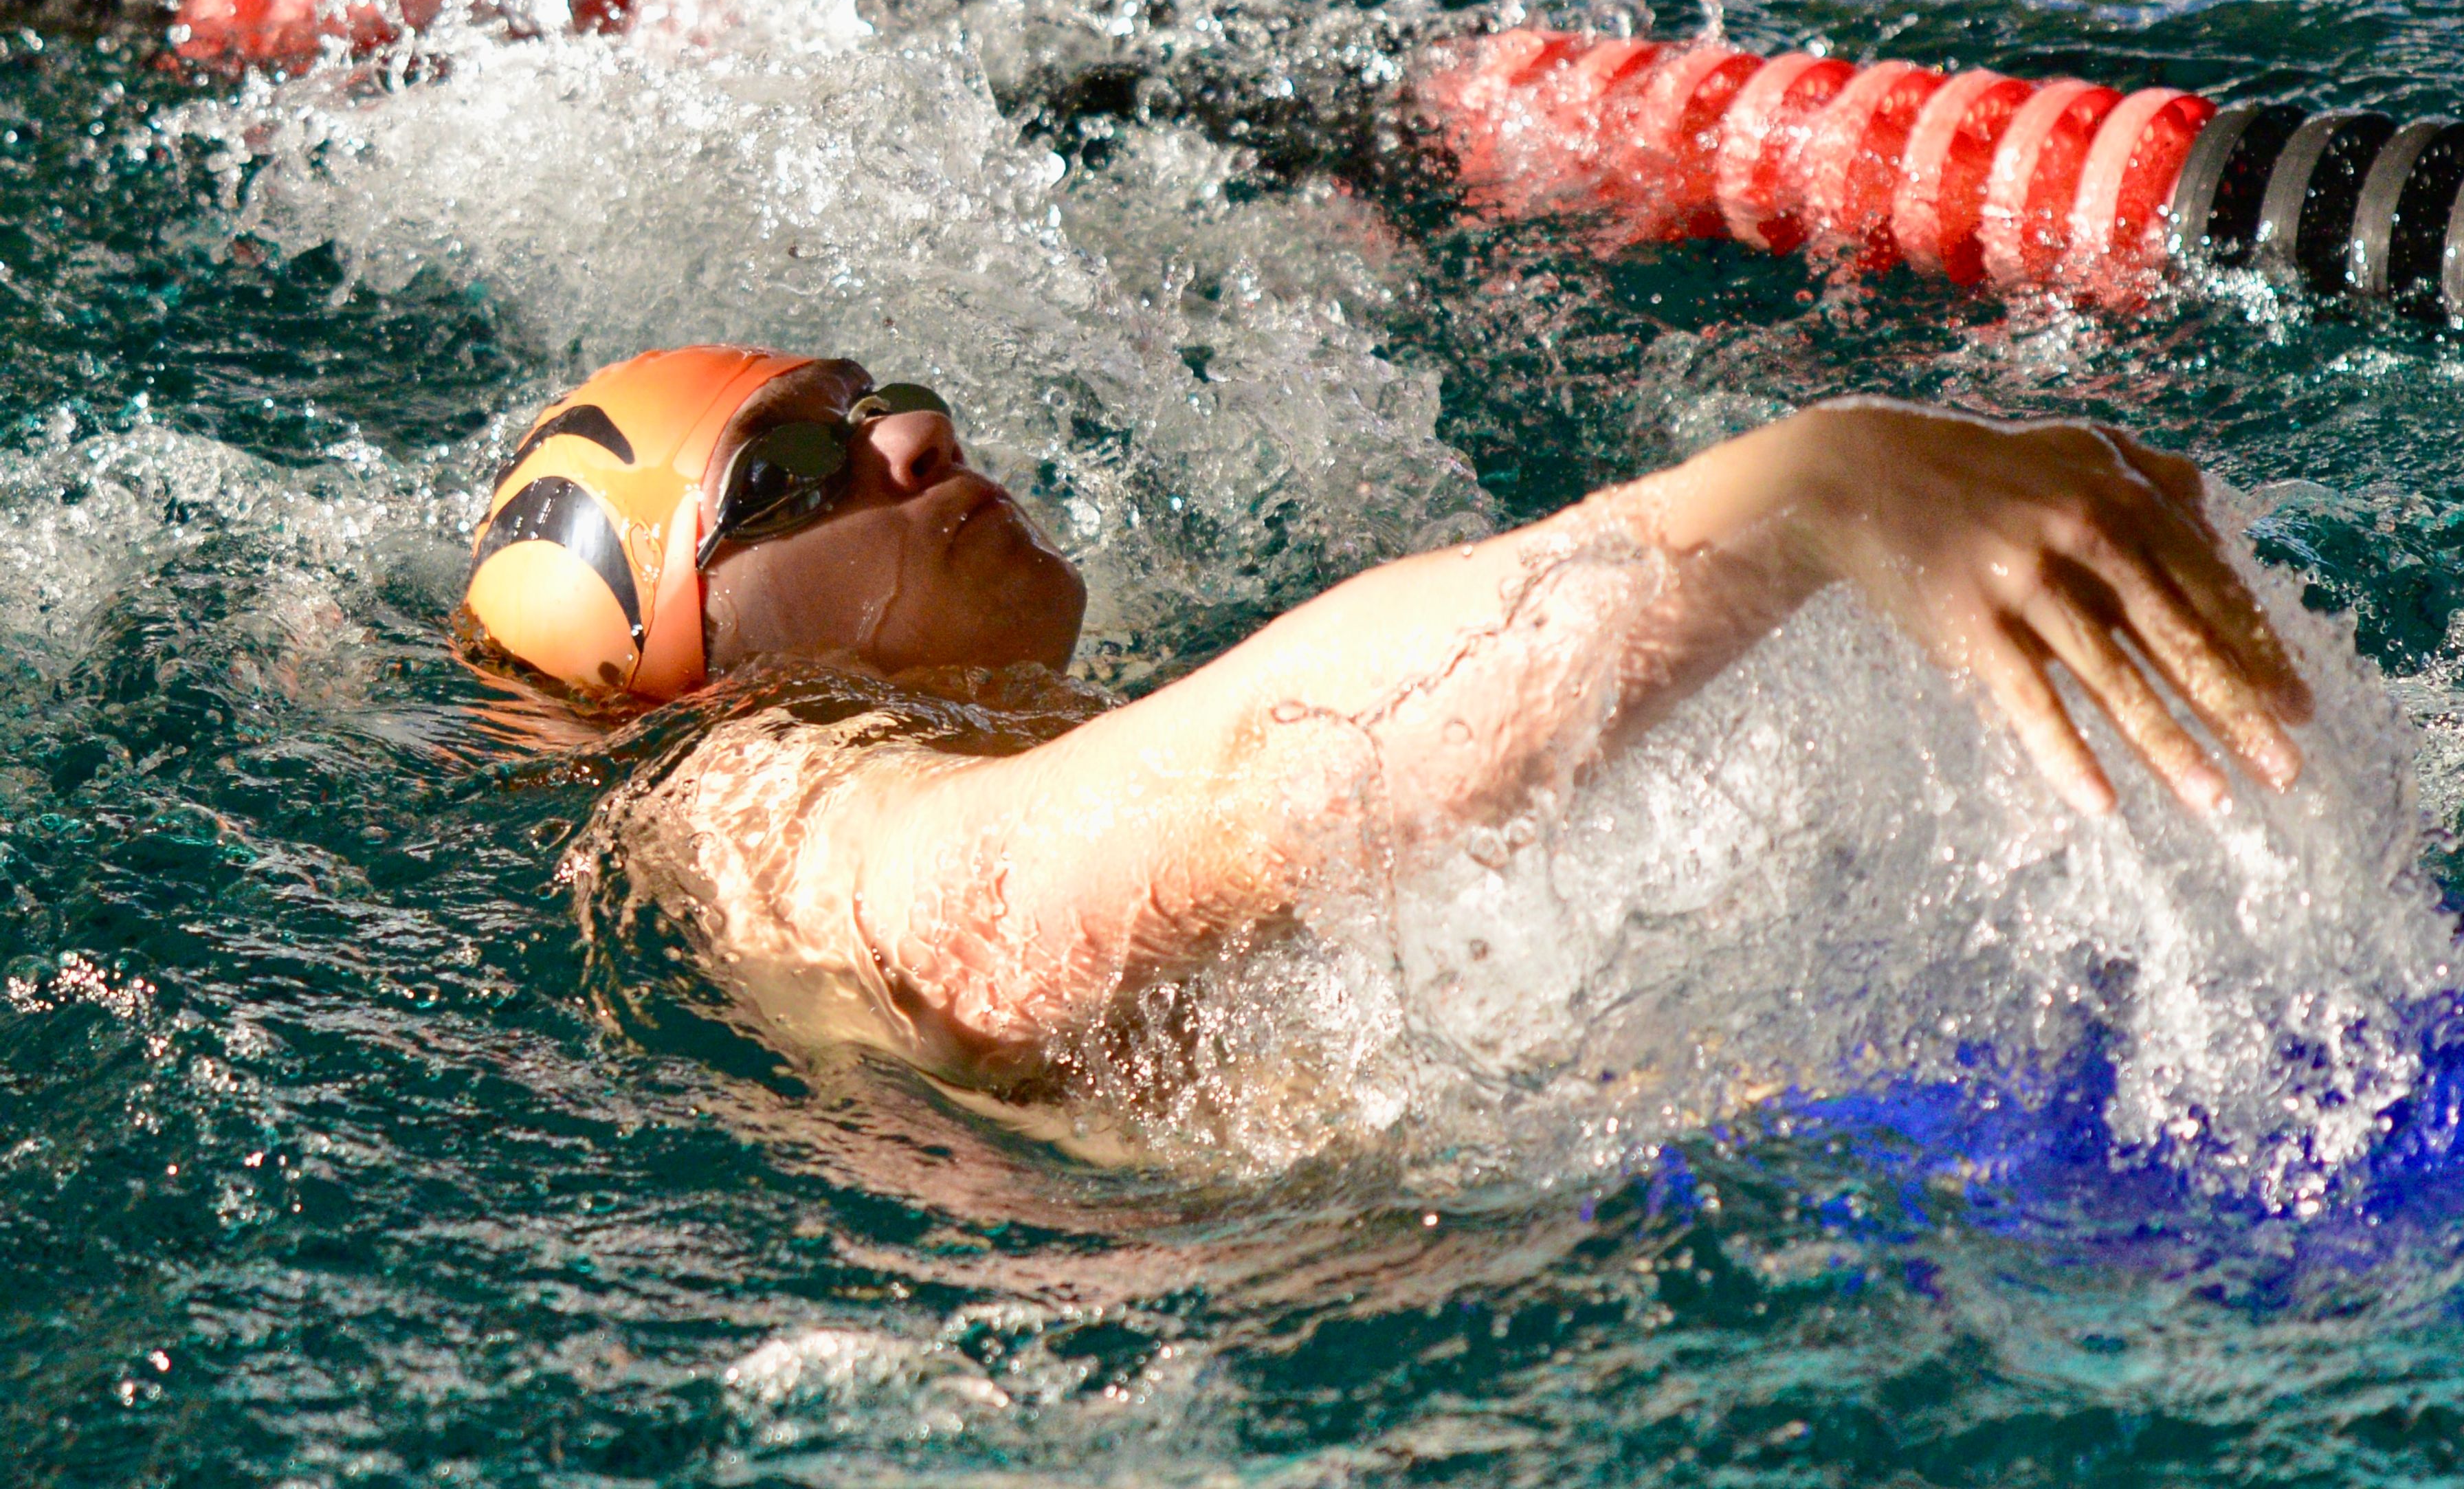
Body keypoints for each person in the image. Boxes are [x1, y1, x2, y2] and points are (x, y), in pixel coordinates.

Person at [462, 344, 2311, 1100]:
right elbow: (1023, 915)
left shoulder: (983, 732)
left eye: (872, 406)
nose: (916, 445)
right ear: (672, 671)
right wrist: (1812, 490)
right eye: (789, 477)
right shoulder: (746, 802)